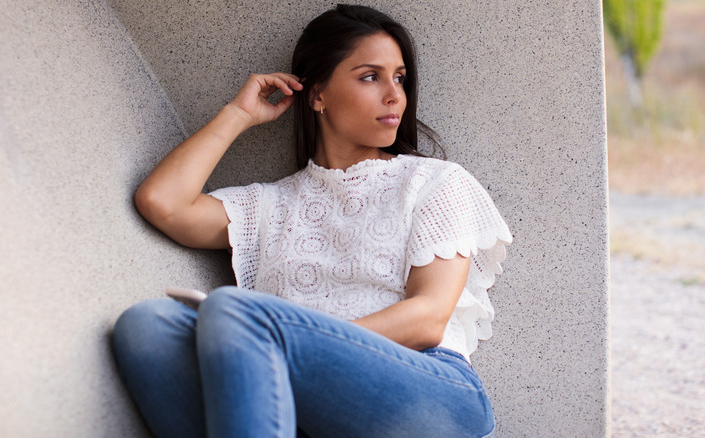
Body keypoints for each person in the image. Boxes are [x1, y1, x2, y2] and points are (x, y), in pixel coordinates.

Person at [112, 4, 512, 438]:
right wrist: (239, 114)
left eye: (399, 77)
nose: (395, 94)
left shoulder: (432, 181)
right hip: (302, 400)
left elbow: (428, 318)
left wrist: (289, 337)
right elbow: (162, 202)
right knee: (147, 326)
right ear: (317, 95)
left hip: (432, 390)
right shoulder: (270, 206)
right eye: (370, 76)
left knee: (236, 311)